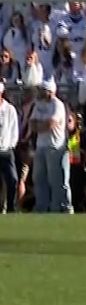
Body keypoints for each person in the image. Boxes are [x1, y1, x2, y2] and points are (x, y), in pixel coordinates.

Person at [28, 80, 71, 214]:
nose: (39, 92)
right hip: (41, 145)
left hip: (55, 146)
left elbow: (51, 124)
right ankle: (41, 206)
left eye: (42, 89)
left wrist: (41, 125)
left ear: (50, 92)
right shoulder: (38, 104)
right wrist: (42, 125)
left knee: (56, 179)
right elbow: (32, 124)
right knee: (38, 177)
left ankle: (58, 206)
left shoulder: (57, 105)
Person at [0, 82, 17, 212]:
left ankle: (11, 207)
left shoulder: (10, 109)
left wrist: (10, 144)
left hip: (6, 150)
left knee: (12, 180)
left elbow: (14, 129)